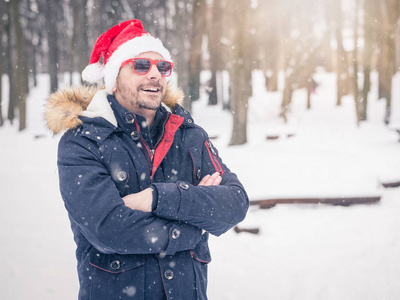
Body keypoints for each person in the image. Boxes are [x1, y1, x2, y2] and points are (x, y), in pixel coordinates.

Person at [45, 19, 249, 300]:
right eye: (141, 65)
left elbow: (235, 204)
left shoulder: (189, 135)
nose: (155, 74)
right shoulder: (83, 141)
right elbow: (109, 229)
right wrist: (192, 227)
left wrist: (157, 199)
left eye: (162, 67)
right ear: (114, 79)